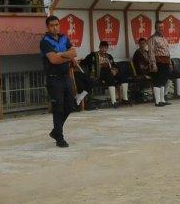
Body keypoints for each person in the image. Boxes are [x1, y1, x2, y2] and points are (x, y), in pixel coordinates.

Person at [40, 15, 79, 148]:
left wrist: (61, 54)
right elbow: (53, 60)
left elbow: (74, 53)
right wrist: (66, 56)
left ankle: (56, 131)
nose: (55, 27)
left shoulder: (64, 38)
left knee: (70, 105)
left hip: (66, 77)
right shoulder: (45, 41)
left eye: (57, 24)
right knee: (58, 108)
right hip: (53, 79)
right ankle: (60, 138)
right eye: (52, 25)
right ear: (48, 27)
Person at [84, 40, 124, 108]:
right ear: (99, 47)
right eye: (103, 48)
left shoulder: (109, 56)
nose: (104, 49)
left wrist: (115, 70)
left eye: (106, 48)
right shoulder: (93, 55)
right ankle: (114, 102)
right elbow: (85, 62)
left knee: (122, 75)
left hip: (109, 73)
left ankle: (124, 99)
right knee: (108, 74)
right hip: (99, 73)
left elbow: (114, 65)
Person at [148, 26, 173, 107]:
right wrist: (153, 64)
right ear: (155, 28)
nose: (161, 29)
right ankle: (157, 101)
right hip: (158, 61)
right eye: (159, 28)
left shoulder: (164, 39)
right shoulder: (153, 38)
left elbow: (167, 52)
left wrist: (170, 63)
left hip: (166, 61)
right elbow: (151, 51)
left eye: (162, 28)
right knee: (157, 81)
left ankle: (162, 100)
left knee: (163, 81)